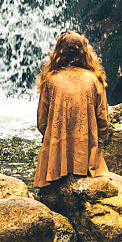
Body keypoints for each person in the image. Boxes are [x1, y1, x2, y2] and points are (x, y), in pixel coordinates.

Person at [34, 30, 109, 188]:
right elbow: (103, 119)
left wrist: (52, 138)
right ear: (85, 52)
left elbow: (41, 122)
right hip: (85, 157)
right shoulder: (94, 80)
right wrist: (101, 136)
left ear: (57, 53)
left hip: (56, 157)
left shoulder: (50, 80)